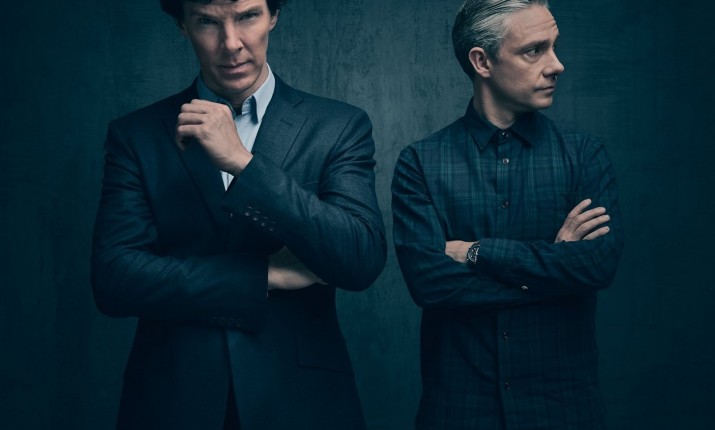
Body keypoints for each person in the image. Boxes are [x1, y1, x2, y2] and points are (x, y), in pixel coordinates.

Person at [91, 1, 386, 429]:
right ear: (182, 26)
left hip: (302, 401)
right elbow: (115, 279)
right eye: (208, 22)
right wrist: (262, 276)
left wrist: (244, 164)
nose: (231, 43)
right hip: (174, 401)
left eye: (247, 16)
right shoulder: (136, 136)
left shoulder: (338, 126)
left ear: (273, 16)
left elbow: (360, 258)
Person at [392, 0, 624, 428]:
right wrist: (556, 266)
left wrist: (478, 253)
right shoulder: (421, 163)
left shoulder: (584, 155)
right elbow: (430, 285)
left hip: (563, 412)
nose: (557, 65)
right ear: (482, 61)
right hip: (459, 412)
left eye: (554, 46)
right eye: (534, 50)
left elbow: (596, 266)